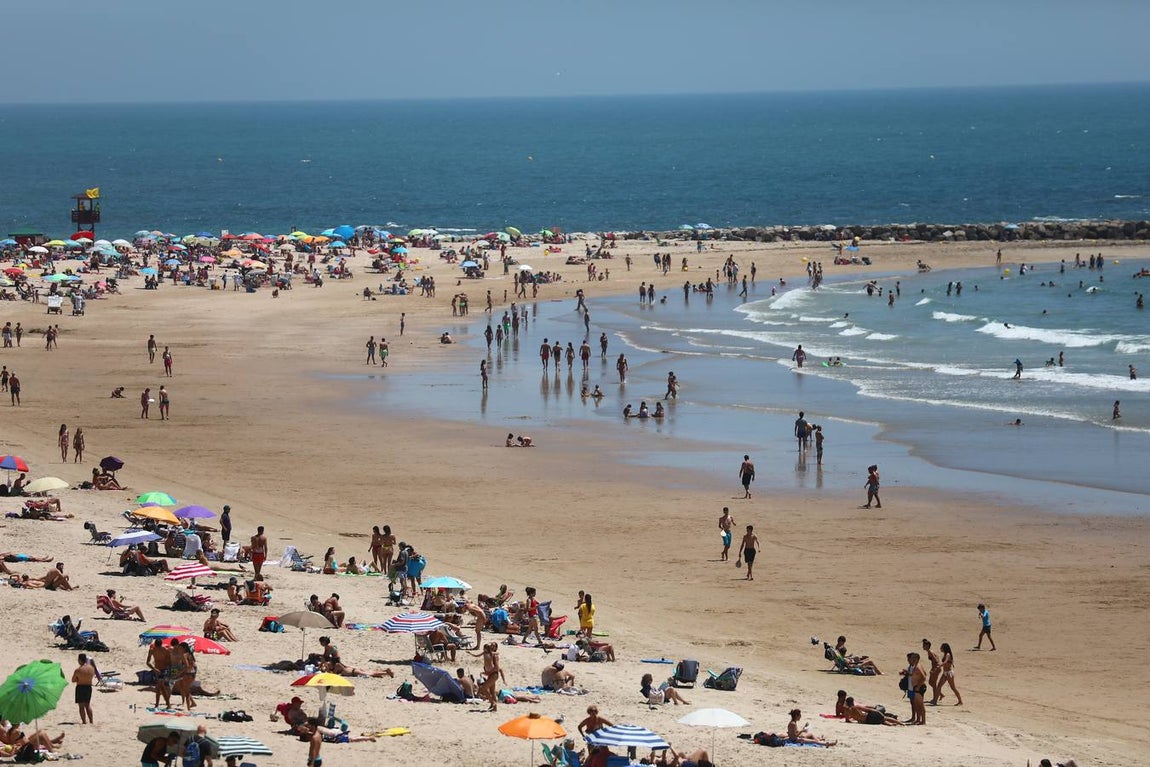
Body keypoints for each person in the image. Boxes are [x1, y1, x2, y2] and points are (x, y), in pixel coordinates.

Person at [72, 653, 100, 724]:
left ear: (80, 660)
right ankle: (91, 721)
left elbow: (73, 680)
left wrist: (78, 679)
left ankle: (84, 721)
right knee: (87, 705)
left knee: (81, 706)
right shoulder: (91, 669)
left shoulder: (78, 670)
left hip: (80, 687)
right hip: (88, 687)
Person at [902, 652, 927, 725]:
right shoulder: (916, 666)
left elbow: (924, 677)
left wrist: (918, 686)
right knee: (917, 704)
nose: (911, 660)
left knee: (920, 705)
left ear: (916, 659)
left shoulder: (918, 666)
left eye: (913, 658)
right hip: (915, 687)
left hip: (918, 688)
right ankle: (918, 720)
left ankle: (923, 721)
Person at [146, 638, 173, 708]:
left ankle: (163, 704)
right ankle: (163, 704)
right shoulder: (152, 650)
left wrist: (169, 672)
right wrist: (154, 669)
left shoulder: (165, 650)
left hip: (164, 670)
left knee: (160, 687)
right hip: (157, 670)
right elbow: (147, 662)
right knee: (159, 688)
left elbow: (169, 662)